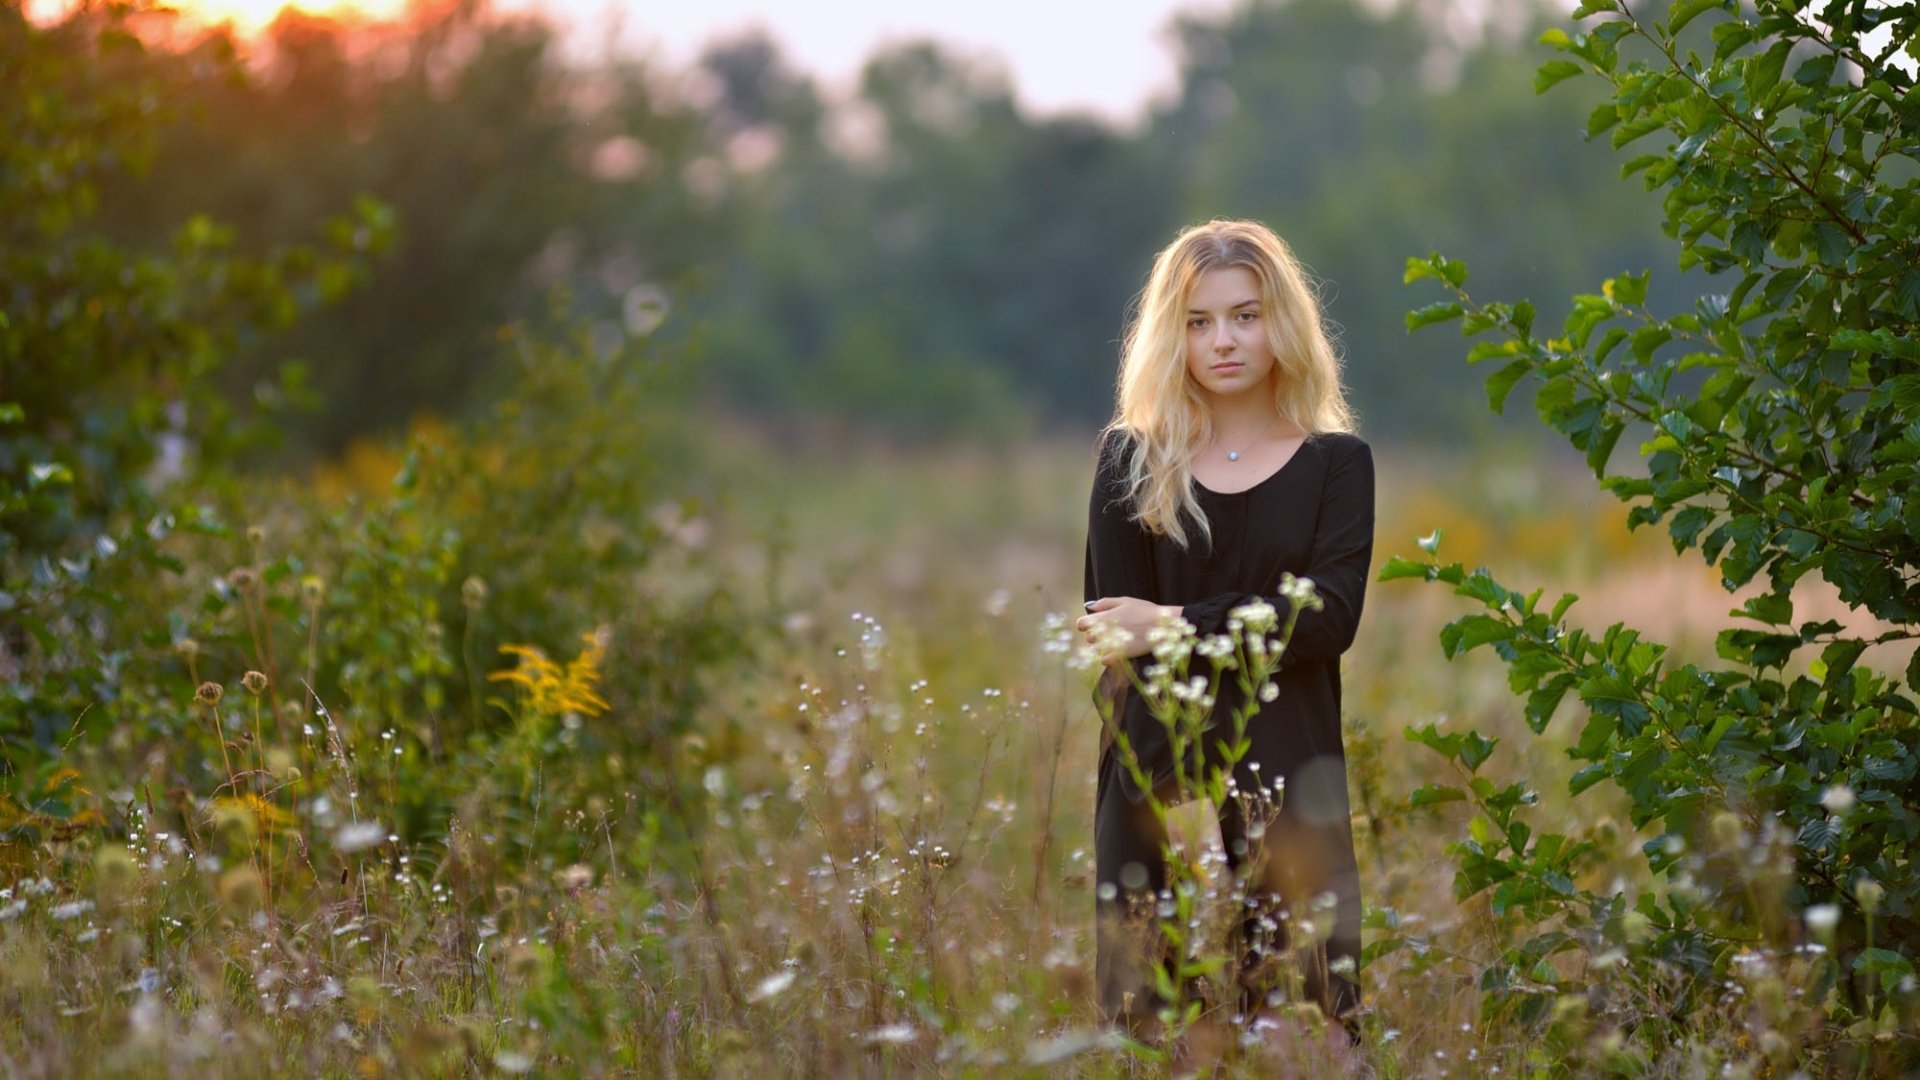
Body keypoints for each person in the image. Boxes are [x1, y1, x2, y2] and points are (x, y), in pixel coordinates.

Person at [1075, 218, 1373, 1037]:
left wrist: (1171, 623)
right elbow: (1112, 637)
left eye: (1245, 315)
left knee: (1304, 1022)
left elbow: (1326, 620)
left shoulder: (1337, 464)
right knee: (1152, 1026)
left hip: (1289, 775)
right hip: (1154, 780)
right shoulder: (1129, 459)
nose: (1225, 341)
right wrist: (1238, 629)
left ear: (1283, 322)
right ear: (1174, 336)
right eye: (1199, 323)